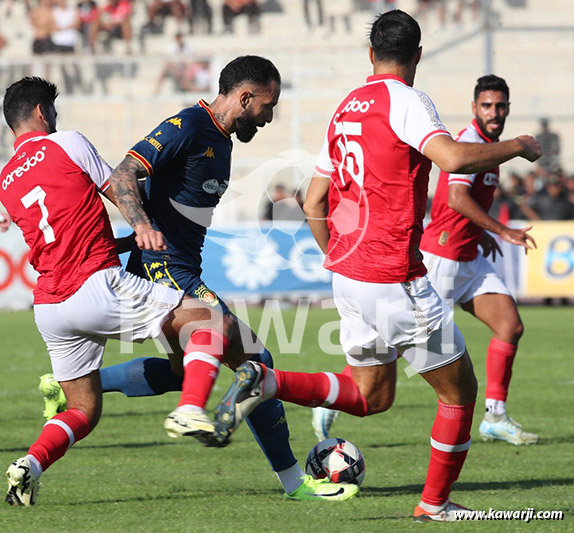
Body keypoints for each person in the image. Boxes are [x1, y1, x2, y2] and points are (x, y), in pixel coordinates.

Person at [212, 10, 541, 522]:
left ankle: (266, 381)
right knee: (459, 392)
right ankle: (434, 504)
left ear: (370, 55)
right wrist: (518, 146)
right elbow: (452, 159)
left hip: (351, 277)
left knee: (371, 395)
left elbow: (314, 198)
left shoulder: (346, 106)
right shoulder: (407, 101)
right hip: (395, 278)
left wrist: (334, 255)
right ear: (417, 55)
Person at [38, 56, 358, 502]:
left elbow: (169, 210)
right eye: (268, 106)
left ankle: (71, 383)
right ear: (245, 98)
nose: (269, 117)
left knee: (179, 369)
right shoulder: (189, 124)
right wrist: (143, 231)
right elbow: (126, 173)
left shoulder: (221, 141)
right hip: (167, 268)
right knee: (254, 358)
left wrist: (135, 240)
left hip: (174, 263)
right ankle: (293, 482)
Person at [1, 76, 230, 507]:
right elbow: (117, 188)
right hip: (95, 285)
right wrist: (143, 223)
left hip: (50, 304)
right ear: (39, 112)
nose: (55, 118)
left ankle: (29, 465)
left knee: (82, 411)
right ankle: (191, 408)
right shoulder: (66, 142)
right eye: (53, 110)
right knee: (209, 321)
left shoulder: (6, 179)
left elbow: (64, 233)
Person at [419, 75, 539, 445]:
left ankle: (495, 417)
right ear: (474, 108)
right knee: (395, 346)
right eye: (487, 105)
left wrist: (482, 232)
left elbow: (459, 205)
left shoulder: (490, 147)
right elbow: (456, 198)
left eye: (501, 106)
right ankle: (335, 400)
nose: (495, 112)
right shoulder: (469, 143)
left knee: (510, 326)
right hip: (442, 258)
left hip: (469, 259)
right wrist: (502, 230)